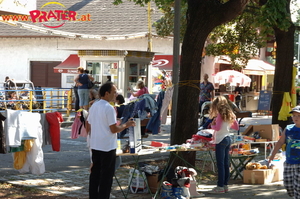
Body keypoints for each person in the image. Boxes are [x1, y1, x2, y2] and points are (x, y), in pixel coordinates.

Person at [86, 82, 135, 199]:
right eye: (114, 93)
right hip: (107, 146)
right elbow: (113, 129)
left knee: (95, 174)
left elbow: (89, 125)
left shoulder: (94, 106)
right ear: (106, 93)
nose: (116, 95)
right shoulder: (108, 108)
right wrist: (126, 125)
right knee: (106, 178)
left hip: (96, 144)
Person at [209, 96, 239, 194]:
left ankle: (220, 186)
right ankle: (225, 184)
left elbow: (216, 128)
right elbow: (236, 127)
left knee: (220, 164)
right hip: (227, 138)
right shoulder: (230, 114)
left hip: (220, 140)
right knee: (226, 164)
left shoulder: (219, 116)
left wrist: (212, 124)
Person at [269, 105, 300, 198]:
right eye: (294, 115)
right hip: (289, 162)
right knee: (289, 186)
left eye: (298, 115)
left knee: (298, 189)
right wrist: (272, 156)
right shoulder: (289, 128)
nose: (295, 118)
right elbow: (280, 142)